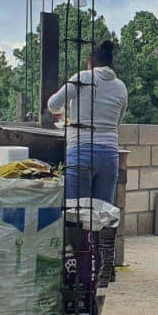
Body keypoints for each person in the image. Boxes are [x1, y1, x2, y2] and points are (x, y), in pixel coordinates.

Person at [49, 38, 129, 204]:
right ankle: (95, 232)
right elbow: (117, 123)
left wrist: (61, 113)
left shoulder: (82, 77)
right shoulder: (121, 87)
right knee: (102, 213)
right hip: (109, 154)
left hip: (81, 150)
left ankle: (81, 231)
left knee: (77, 213)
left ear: (91, 63)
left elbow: (53, 104)